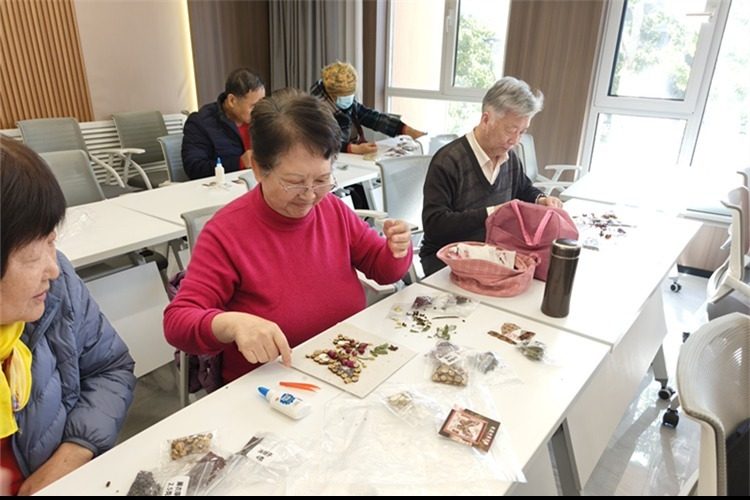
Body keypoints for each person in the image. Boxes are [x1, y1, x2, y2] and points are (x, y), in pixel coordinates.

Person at [164, 89, 413, 384]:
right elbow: (178, 321)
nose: (309, 195)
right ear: (258, 169)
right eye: (294, 182)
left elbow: (383, 270)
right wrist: (230, 324)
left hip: (342, 366)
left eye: (322, 179)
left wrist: (396, 250)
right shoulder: (226, 232)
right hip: (271, 386)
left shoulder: (331, 208)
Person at [0, 138, 136, 495]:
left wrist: (73, 453)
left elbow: (110, 367)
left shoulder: (57, 289)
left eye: (51, 241)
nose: (53, 268)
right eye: (32, 255)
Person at [419, 76, 565, 277]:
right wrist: (492, 213)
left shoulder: (509, 158)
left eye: (522, 132)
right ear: (486, 120)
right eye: (511, 130)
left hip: (492, 255)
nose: (515, 140)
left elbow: (523, 189)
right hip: (447, 260)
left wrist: (541, 199)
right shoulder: (448, 161)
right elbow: (435, 226)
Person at [310, 61, 426, 155]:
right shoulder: (315, 110)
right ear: (330, 94)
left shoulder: (344, 103)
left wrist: (405, 129)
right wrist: (354, 149)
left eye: (350, 95)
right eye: (343, 96)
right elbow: (323, 142)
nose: (348, 100)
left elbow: (372, 118)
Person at [182, 68, 266, 179]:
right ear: (232, 101)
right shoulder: (200, 123)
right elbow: (194, 168)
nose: (259, 110)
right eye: (253, 106)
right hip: (224, 185)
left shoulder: (262, 117)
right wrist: (239, 162)